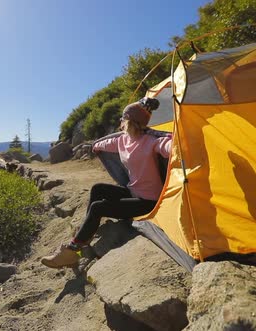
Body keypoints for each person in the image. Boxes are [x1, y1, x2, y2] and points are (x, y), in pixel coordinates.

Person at [41, 97, 172, 269]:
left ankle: (73, 252)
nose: (121, 121)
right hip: (133, 192)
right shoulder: (123, 140)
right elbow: (105, 143)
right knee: (98, 189)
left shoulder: (152, 141)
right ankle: (85, 236)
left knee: (98, 207)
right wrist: (96, 146)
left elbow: (169, 146)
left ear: (131, 121)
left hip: (148, 202)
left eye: (124, 118)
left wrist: (174, 143)